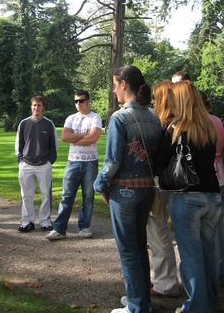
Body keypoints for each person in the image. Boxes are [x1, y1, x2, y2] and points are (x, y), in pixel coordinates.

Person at [94, 66, 162, 313]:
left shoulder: (119, 118)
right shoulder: (154, 117)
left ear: (124, 84)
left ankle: (136, 306)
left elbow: (112, 161)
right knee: (139, 246)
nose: (113, 90)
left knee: (128, 250)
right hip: (146, 189)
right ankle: (141, 299)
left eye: (114, 84)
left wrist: (100, 185)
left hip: (124, 191)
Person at [156, 81, 221, 313]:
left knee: (191, 256)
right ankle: (210, 300)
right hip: (212, 196)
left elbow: (160, 163)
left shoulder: (175, 129)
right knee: (208, 253)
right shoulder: (209, 126)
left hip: (187, 197)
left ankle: (195, 306)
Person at [46, 89, 102, 240]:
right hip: (73, 162)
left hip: (90, 162)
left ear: (88, 101)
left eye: (81, 101)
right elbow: (64, 137)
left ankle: (84, 227)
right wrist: (85, 134)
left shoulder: (95, 118)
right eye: (76, 101)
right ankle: (59, 229)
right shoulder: (71, 118)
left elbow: (93, 138)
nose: (78, 104)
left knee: (88, 196)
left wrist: (75, 137)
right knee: (67, 196)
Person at [148, 81, 181, 298]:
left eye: (155, 97)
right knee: (159, 231)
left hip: (160, 183)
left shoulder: (167, 125)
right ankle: (164, 279)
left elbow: (159, 159)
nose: (152, 101)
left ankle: (166, 282)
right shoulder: (176, 122)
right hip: (167, 184)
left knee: (158, 232)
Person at [16, 95, 57, 232]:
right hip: (26, 164)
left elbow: (54, 146)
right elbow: (19, 144)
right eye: (34, 105)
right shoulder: (24, 123)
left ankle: (45, 221)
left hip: (44, 164)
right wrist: (20, 160)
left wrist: (49, 162)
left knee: (46, 194)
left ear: (43, 107)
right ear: (31, 106)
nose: (36, 108)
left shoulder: (48, 124)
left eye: (39, 105)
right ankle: (27, 221)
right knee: (26, 195)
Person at [200, 91, 224, 283]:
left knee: (208, 229)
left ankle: (213, 272)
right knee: (218, 226)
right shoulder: (218, 121)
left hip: (210, 177)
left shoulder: (203, 122)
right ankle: (222, 269)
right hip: (222, 176)